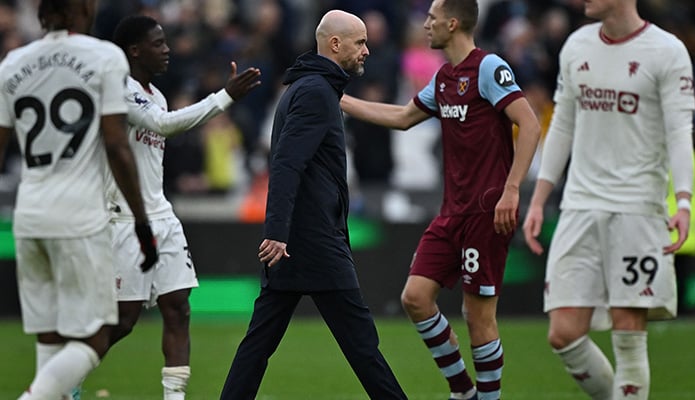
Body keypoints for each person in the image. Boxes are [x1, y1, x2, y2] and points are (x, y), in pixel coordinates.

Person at [340, 0, 541, 399]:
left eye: (431, 18)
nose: (425, 25)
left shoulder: (488, 68)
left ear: (452, 23)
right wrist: (338, 99)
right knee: (415, 298)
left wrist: (512, 188)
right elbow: (401, 117)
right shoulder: (445, 78)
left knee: (478, 317)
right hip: (451, 211)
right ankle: (462, 390)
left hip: (486, 210)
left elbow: (530, 123)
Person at [219, 10, 407, 400]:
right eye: (360, 43)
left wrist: (280, 234)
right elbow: (287, 163)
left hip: (295, 241)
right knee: (363, 347)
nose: (367, 51)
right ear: (335, 44)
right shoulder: (316, 93)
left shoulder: (310, 89)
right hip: (313, 242)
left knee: (258, 347)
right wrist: (276, 231)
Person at [521, 0, 695, 398]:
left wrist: (682, 201)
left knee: (627, 330)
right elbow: (562, 123)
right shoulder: (576, 45)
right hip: (579, 205)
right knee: (563, 333)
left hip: (637, 208)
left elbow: (679, 132)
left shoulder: (667, 51)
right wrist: (539, 198)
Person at [0, 1, 158, 399]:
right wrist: (141, 221)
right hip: (79, 217)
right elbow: (117, 146)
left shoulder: (11, 64)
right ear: (82, 11)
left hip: (30, 214)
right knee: (93, 340)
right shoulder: (104, 57)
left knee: (50, 341)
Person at [101, 15, 261, 400]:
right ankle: (66, 381)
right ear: (135, 50)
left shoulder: (155, 92)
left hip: (162, 216)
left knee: (179, 308)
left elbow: (160, 128)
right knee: (124, 321)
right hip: (124, 218)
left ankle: (174, 398)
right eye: (158, 44)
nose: (167, 49)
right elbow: (163, 125)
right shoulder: (118, 90)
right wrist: (224, 97)